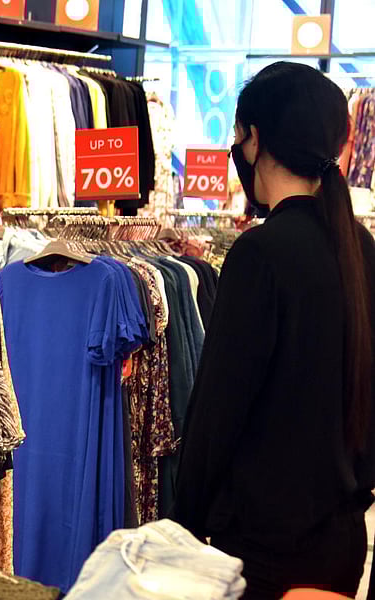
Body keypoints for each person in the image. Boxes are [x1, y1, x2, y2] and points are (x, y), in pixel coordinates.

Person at [172, 62, 375, 599]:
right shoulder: (362, 249)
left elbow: (218, 411)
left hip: (260, 552)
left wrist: (185, 524)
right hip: (341, 542)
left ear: (254, 139)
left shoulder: (260, 254)